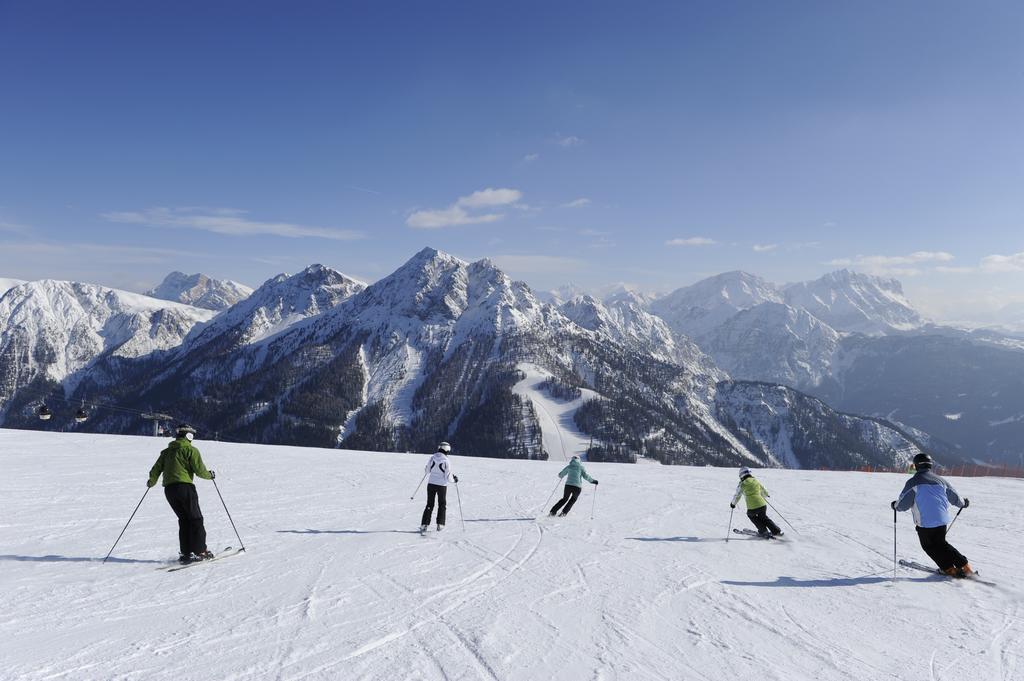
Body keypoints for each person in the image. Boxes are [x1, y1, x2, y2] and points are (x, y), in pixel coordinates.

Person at [892, 453, 973, 577]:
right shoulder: (941, 481)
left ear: (916, 466)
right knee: (942, 544)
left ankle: (949, 569)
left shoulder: (913, 482)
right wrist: (964, 503)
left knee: (930, 547)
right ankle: (965, 567)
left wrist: (895, 506)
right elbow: (956, 498)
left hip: (925, 523)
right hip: (942, 521)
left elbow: (903, 505)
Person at [147, 424, 216, 563]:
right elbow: (199, 470)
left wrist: (151, 482)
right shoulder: (191, 450)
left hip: (169, 491)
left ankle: (186, 553)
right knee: (196, 519)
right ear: (188, 436)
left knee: (184, 520)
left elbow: (155, 470)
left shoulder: (166, 452)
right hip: (185, 488)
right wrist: (210, 475)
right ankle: (200, 551)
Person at [731, 467, 782, 537]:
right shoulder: (756, 480)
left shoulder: (742, 484)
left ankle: (764, 531)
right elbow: (763, 489)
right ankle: (776, 531)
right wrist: (766, 495)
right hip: (763, 505)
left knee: (751, 515)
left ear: (741, 475)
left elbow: (737, 495)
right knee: (764, 517)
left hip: (752, 507)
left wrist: (733, 504)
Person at [420, 442, 458, 532]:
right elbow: (448, 477)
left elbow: (427, 471)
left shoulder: (432, 457)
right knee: (442, 504)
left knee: (429, 504)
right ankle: (440, 524)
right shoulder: (446, 460)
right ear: (447, 449)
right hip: (442, 486)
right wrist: (454, 479)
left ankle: (424, 524)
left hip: (431, 484)